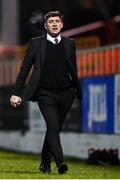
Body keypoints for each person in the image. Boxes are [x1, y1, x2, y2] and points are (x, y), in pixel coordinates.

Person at [10, 11, 82, 174]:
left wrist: (75, 90)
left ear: (61, 24)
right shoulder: (36, 44)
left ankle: (44, 163)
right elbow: (25, 69)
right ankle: (60, 163)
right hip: (45, 94)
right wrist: (16, 92)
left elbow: (73, 70)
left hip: (66, 94)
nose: (55, 24)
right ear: (45, 25)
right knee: (53, 126)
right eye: (51, 21)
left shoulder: (70, 43)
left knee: (53, 130)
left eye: (57, 21)